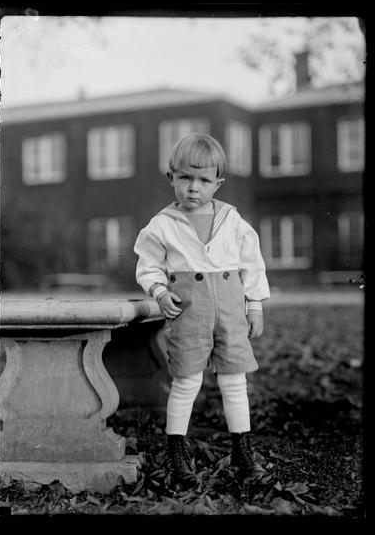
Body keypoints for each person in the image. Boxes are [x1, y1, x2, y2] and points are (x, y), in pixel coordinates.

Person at [134, 133, 270, 487]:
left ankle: (243, 452)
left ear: (218, 183)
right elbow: (148, 267)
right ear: (171, 178)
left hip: (229, 312)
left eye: (204, 180)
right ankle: (176, 455)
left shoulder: (232, 220)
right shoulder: (162, 225)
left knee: (234, 382)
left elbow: (251, 264)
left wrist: (254, 305)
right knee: (186, 382)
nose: (193, 188)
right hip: (188, 313)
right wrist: (160, 292)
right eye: (185, 178)